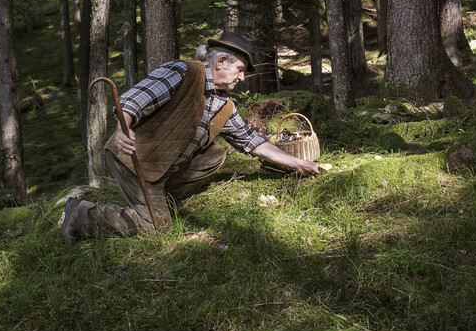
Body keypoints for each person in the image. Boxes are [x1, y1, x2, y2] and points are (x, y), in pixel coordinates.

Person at [61, 32, 325, 244]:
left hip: (163, 164)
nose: (243, 77)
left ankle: (163, 194)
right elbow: (134, 100)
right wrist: (123, 128)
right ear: (221, 62)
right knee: (155, 229)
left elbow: (252, 141)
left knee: (215, 155)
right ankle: (80, 214)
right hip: (134, 159)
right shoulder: (183, 71)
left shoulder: (225, 105)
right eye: (241, 69)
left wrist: (297, 163)